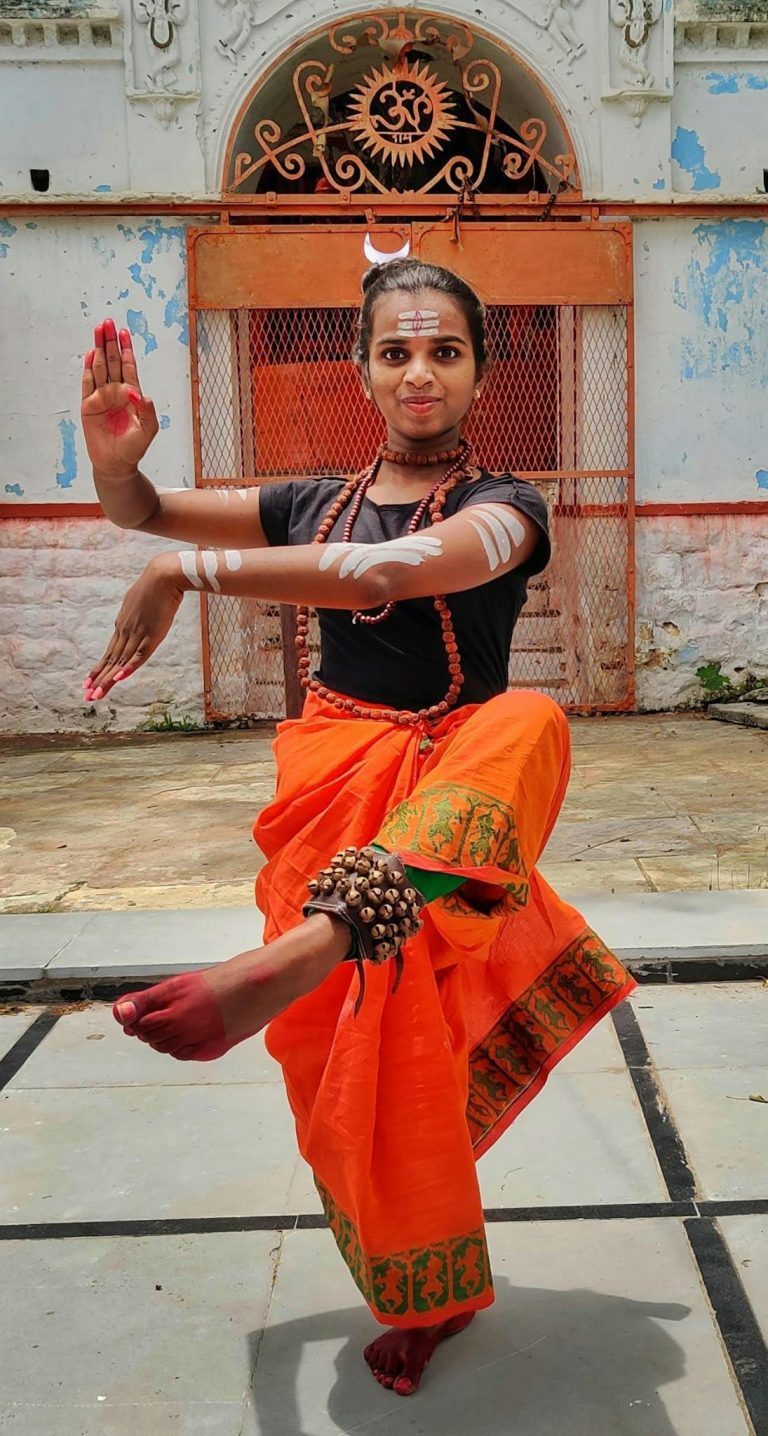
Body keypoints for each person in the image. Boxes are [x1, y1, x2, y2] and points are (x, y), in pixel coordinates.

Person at [81, 257, 635, 1398]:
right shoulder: (307, 501)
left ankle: (321, 941)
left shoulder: (509, 508)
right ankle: (427, 1290)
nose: (419, 371)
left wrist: (183, 568)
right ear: (362, 367)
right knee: (365, 1075)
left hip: (452, 802)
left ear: (482, 367)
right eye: (396, 350)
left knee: (528, 717)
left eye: (444, 349)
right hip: (330, 788)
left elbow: (387, 570)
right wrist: (116, 466)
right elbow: (142, 508)